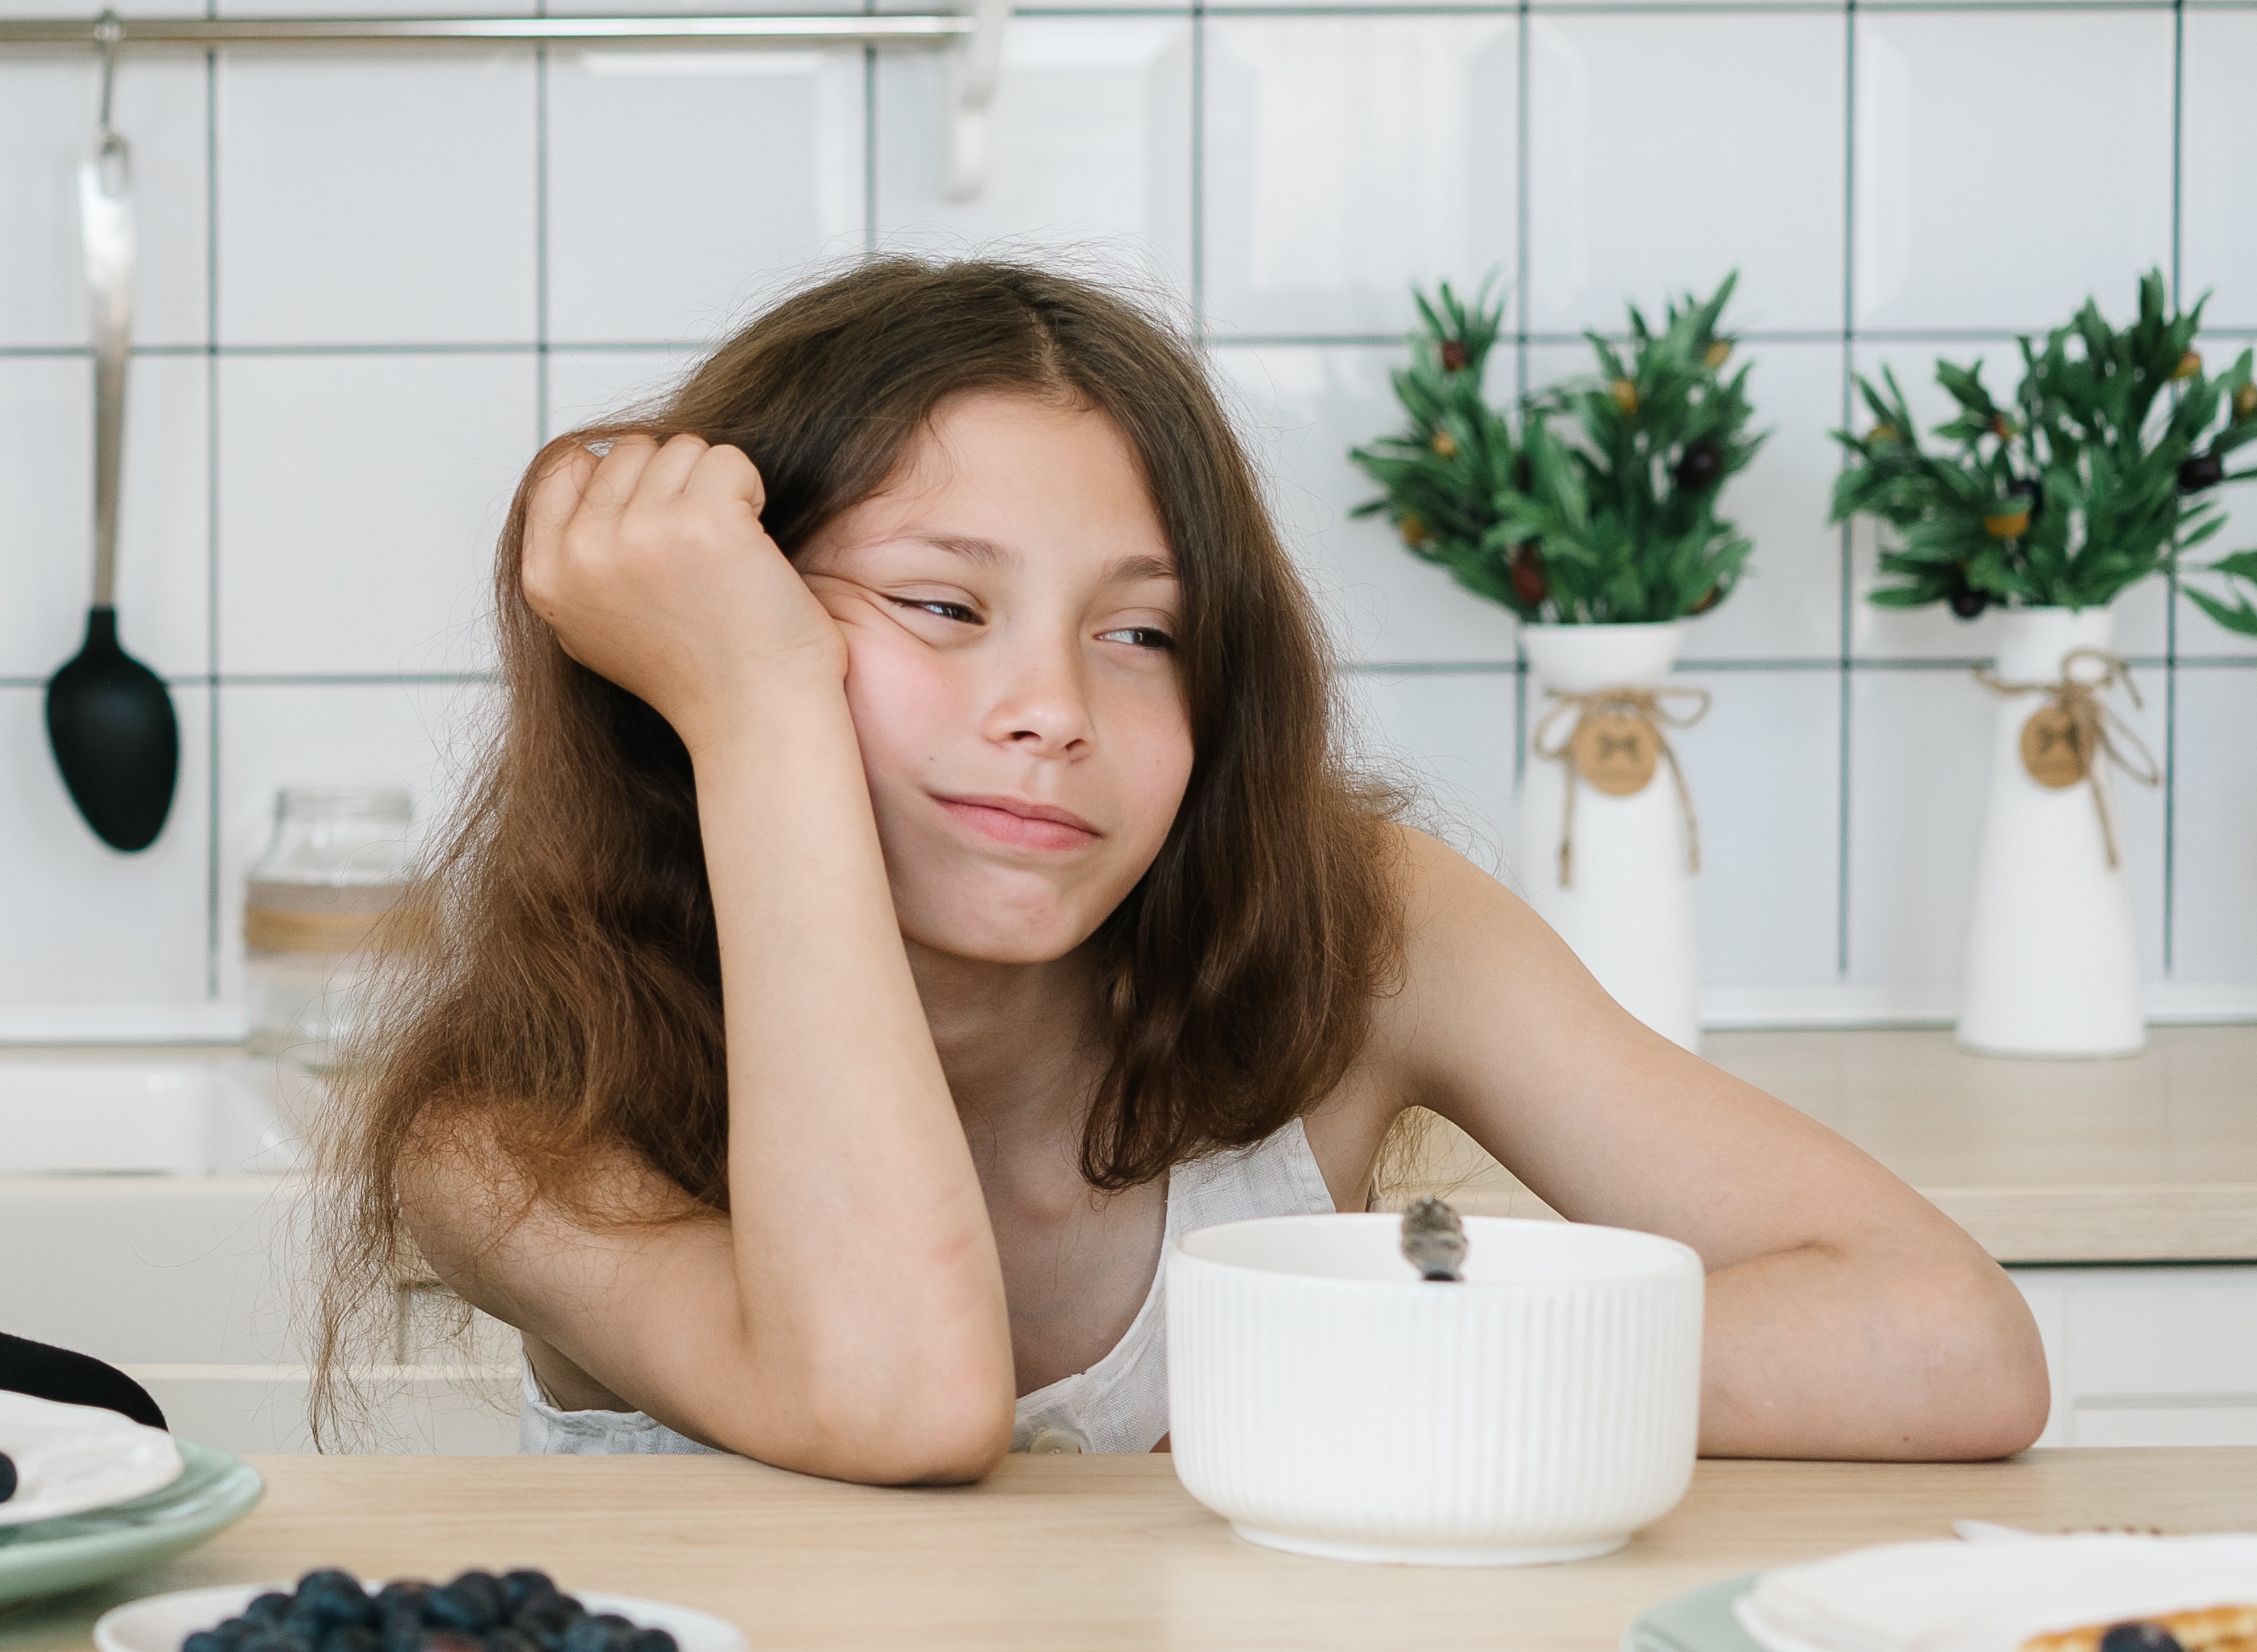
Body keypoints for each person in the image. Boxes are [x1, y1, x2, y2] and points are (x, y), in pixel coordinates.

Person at [331, 258, 2048, 1480]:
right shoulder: (508, 1137)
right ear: (716, 644)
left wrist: (1365, 1382)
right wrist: (765, 723)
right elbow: (901, 1403)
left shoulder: (1368, 933)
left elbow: (1944, 1338)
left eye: (1144, 632)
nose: (1053, 711)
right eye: (942, 608)